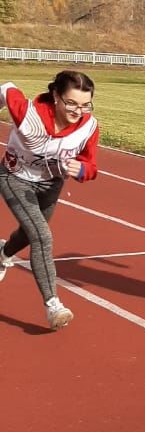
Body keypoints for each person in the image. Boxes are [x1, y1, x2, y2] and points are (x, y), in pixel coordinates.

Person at [0, 70, 99, 330]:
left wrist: (82, 171)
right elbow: (7, 86)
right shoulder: (28, 114)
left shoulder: (89, 126)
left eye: (85, 105)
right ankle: (53, 305)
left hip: (51, 185)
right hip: (15, 178)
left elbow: (91, 165)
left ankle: (2, 253)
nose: (78, 111)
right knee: (42, 237)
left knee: (29, 233)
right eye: (71, 103)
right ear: (56, 96)